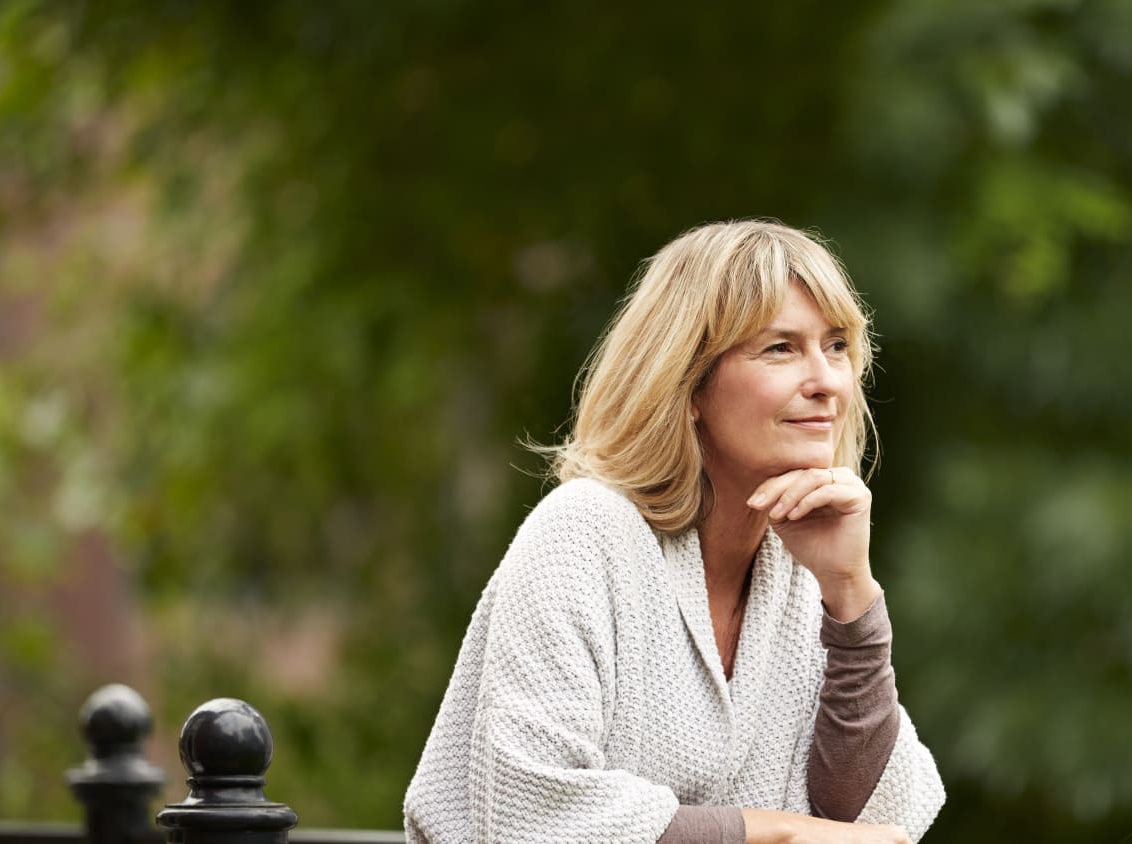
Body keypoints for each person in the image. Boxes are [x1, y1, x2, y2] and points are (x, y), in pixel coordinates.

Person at [403, 220, 945, 843]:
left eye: (837, 346)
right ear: (688, 383)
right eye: (780, 348)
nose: (826, 381)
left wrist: (851, 597)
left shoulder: (800, 568)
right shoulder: (583, 532)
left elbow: (870, 815)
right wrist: (776, 834)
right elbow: (532, 813)